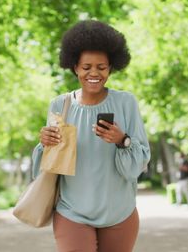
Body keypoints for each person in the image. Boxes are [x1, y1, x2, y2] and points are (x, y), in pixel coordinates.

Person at [31, 20, 151, 252]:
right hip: (72, 211)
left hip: (119, 213)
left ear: (111, 68)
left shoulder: (126, 103)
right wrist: (45, 143)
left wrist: (121, 140)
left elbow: (136, 166)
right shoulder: (60, 104)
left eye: (101, 67)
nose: (94, 73)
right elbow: (47, 169)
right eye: (86, 67)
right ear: (75, 67)